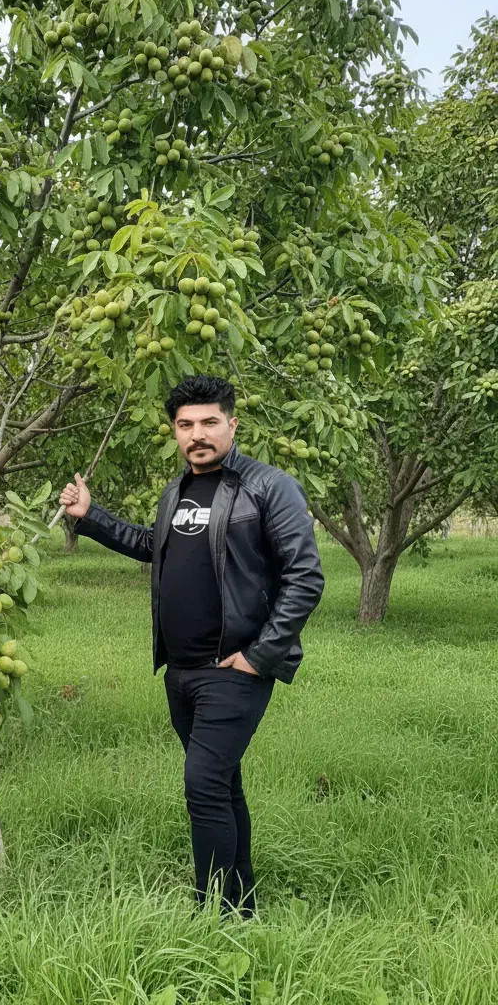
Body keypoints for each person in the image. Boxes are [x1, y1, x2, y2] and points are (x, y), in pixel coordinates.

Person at [60, 375, 324, 916]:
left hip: (233, 668)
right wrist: (91, 517)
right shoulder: (176, 491)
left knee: (203, 786)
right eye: (185, 425)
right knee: (221, 786)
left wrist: (260, 655)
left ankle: (212, 915)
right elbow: (152, 544)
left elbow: (305, 577)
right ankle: (241, 906)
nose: (197, 434)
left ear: (232, 424)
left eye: (208, 422)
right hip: (180, 671)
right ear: (175, 431)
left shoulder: (269, 487)